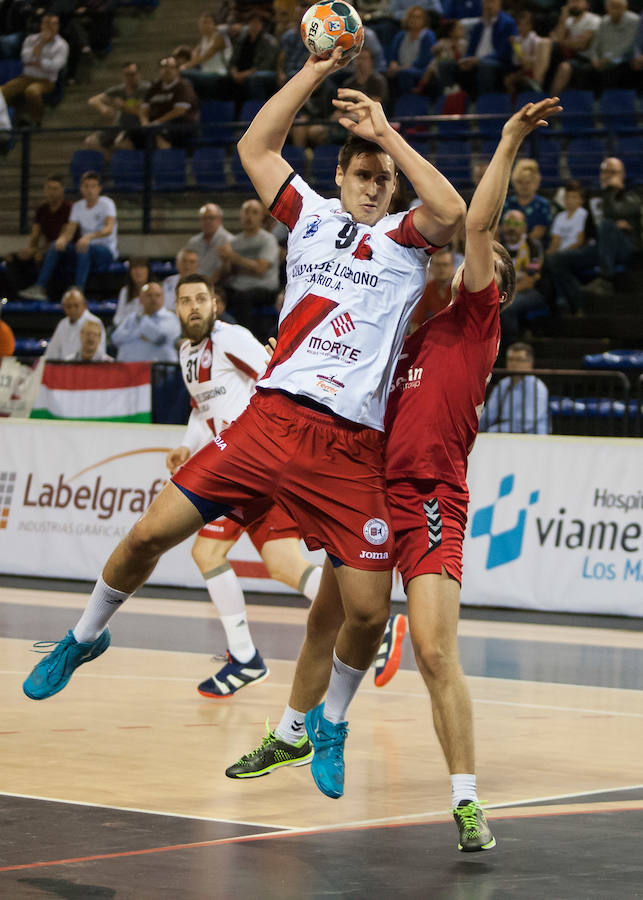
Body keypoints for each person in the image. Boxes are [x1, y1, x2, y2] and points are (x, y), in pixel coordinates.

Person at [21, 49, 464, 798]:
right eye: (362, 172)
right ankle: (82, 638)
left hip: (351, 445)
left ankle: (328, 723)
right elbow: (254, 147)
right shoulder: (310, 218)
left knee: (364, 612)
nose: (373, 183)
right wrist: (315, 71)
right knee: (147, 535)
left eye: (381, 177)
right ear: (340, 179)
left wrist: (388, 136)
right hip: (269, 422)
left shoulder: (406, 242)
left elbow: (451, 212)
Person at [226, 96, 560, 855]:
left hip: (430, 499)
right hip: (369, 486)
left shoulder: (475, 317)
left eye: (486, 267)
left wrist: (505, 139)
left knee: (437, 653)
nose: (468, 264)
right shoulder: (403, 319)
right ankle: (291, 731)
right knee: (326, 614)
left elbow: (471, 224)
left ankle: (466, 801)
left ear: (496, 286)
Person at [167, 272, 322, 696]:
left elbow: (274, 375)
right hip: (244, 465)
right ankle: (369, 620)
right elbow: (202, 410)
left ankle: (245, 657)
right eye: (186, 301)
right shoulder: (185, 352)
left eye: (202, 298)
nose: (194, 306)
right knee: (283, 564)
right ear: (176, 309)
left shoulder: (231, 338)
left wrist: (268, 437)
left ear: (215, 303)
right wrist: (186, 446)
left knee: (207, 550)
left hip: (249, 460)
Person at [546, 156, 641, 309]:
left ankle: (605, 279)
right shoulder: (594, 197)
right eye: (604, 172)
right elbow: (590, 229)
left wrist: (610, 190)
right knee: (556, 259)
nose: (608, 175)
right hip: (600, 248)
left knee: (607, 224)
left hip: (626, 249)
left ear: (622, 175)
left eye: (613, 172)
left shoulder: (632, 197)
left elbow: (610, 214)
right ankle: (581, 299)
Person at [20, 170, 118, 299]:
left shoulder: (107, 203)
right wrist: (62, 239)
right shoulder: (77, 207)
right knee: (56, 245)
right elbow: (70, 231)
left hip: (104, 251)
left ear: (99, 188)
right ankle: (40, 287)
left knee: (83, 247)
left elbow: (108, 229)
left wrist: (88, 237)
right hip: (83, 249)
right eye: (86, 186)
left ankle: (78, 290)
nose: (89, 190)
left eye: (93, 186)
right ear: (81, 188)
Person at [217, 198, 280, 340]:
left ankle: (245, 339)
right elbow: (228, 272)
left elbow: (261, 269)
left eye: (254, 212)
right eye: (246, 212)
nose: (249, 216)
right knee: (216, 295)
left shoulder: (268, 240)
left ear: (261, 217)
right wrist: (225, 261)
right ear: (241, 215)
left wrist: (233, 257)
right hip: (237, 287)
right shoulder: (234, 242)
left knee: (243, 297)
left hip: (264, 289)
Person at [4, 175, 71, 296]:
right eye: (49, 188)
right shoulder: (42, 210)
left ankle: (44, 291)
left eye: (55, 189)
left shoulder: (69, 208)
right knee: (10, 257)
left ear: (62, 190)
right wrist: (30, 249)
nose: (52, 192)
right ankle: (18, 294)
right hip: (44, 248)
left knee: (39, 256)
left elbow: (63, 237)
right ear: (45, 190)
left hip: (62, 249)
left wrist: (37, 250)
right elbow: (35, 234)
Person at [436, 0, 518, 98]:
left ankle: (484, 105)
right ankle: (449, 102)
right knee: (445, 65)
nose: (488, 6)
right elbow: (471, 49)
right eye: (486, 2)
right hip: (475, 61)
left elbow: (504, 52)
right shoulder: (479, 25)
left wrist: (479, 60)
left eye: (491, 2)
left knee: (485, 66)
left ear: (499, 3)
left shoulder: (508, 23)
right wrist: (466, 59)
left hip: (498, 63)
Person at [117, 56, 199, 151]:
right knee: (126, 138)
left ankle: (166, 163)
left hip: (180, 125)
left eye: (171, 67)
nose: (167, 70)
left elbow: (179, 111)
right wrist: (144, 122)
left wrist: (157, 122)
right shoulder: (155, 87)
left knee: (158, 134)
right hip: (154, 125)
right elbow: (144, 109)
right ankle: (135, 165)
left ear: (177, 70)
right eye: (164, 67)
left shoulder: (183, 86)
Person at [0, 13, 68, 127]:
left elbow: (56, 66)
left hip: (46, 80)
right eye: (47, 23)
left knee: (32, 91)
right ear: (42, 25)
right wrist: (41, 45)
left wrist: (37, 62)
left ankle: (37, 121)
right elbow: (25, 58)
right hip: (26, 77)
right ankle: (8, 122)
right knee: (2, 91)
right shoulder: (31, 39)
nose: (51, 27)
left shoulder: (62, 45)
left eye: (54, 24)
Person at [479, 341, 550, 434]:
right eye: (511, 359)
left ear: (530, 363)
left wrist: (494, 430)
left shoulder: (538, 387)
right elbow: (488, 415)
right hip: (504, 435)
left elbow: (527, 422)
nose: (514, 363)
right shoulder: (503, 385)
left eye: (519, 360)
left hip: (532, 438)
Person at [498, 208, 545, 340]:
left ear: (524, 228)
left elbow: (530, 280)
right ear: (501, 227)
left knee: (505, 308)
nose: (511, 228)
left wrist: (505, 295)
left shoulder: (533, 246)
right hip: (504, 291)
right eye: (508, 224)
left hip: (530, 292)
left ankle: (511, 345)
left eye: (516, 224)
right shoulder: (497, 247)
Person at [84, 61, 151, 154]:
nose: (130, 78)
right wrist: (103, 108)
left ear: (139, 74)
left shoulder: (146, 88)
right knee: (91, 141)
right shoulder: (119, 89)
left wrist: (123, 105)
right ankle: (111, 164)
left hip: (137, 128)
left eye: (132, 74)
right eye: (126, 75)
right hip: (119, 126)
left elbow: (141, 111)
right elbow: (93, 100)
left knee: (121, 144)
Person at [111, 280, 180, 362]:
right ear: (140, 299)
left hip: (158, 370)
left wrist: (140, 323)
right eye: (149, 295)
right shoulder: (131, 317)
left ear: (163, 298)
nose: (153, 299)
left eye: (157, 295)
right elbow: (115, 338)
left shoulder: (171, 318)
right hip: (128, 369)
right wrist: (140, 333)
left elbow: (160, 338)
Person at [180, 10, 232, 99]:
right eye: (202, 23)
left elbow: (205, 57)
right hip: (205, 71)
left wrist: (184, 67)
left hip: (218, 72)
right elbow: (195, 57)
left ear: (214, 25)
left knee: (184, 74)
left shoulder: (219, 38)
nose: (204, 26)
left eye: (207, 23)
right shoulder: (204, 39)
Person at [44, 287, 106, 360]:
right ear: (63, 307)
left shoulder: (94, 322)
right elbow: (52, 352)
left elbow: (98, 353)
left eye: (76, 306)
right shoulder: (62, 324)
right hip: (64, 367)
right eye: (68, 306)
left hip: (86, 367)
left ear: (84, 305)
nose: (72, 310)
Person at [386, 5, 436, 95]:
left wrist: (400, 68)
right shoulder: (401, 35)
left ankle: (408, 99)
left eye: (418, 17)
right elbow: (393, 55)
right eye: (412, 17)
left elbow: (424, 61)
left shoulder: (428, 36)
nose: (414, 20)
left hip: (420, 70)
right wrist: (393, 64)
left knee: (405, 73)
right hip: (400, 69)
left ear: (424, 20)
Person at [502, 158, 551, 245]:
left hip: (533, 247)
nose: (524, 186)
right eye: (520, 182)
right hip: (506, 246)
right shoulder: (507, 203)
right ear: (514, 183)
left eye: (528, 182)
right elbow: (499, 229)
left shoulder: (542, 204)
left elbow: (538, 232)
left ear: (536, 183)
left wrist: (519, 247)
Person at [410, 246, 455, 329]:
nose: (441, 269)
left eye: (445, 265)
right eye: (437, 265)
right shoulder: (426, 289)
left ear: (453, 267)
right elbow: (416, 323)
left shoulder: (460, 288)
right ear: (431, 268)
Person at [186, 204, 233, 281]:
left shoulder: (230, 241)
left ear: (220, 220)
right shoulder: (193, 242)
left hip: (220, 287)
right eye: (204, 218)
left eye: (211, 218)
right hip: (195, 284)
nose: (207, 221)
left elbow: (228, 272)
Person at [548, 179, 587, 253]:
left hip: (575, 254)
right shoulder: (559, 217)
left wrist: (563, 254)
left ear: (581, 200)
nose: (570, 200)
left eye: (574, 197)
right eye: (567, 197)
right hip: (560, 255)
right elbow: (555, 241)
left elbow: (580, 241)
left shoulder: (583, 214)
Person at [113, 257, 149, 326]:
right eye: (134, 268)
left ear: (148, 270)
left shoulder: (154, 290)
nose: (138, 271)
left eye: (142, 267)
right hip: (126, 329)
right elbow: (117, 317)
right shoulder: (125, 291)